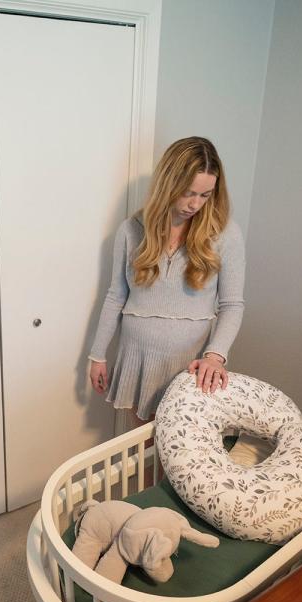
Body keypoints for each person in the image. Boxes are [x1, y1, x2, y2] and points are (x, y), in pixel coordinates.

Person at [87, 137, 245, 431]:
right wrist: (97, 355)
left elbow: (232, 304)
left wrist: (215, 354)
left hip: (190, 364)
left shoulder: (225, 234)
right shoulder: (132, 230)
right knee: (146, 445)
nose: (195, 204)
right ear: (167, 184)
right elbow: (115, 295)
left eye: (205, 195)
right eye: (188, 193)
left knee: (182, 449)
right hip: (138, 360)